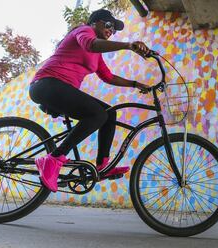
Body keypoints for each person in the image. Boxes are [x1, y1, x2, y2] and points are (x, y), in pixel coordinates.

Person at [28, 9, 150, 192]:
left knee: (109, 113)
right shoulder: (84, 31)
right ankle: (53, 159)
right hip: (47, 84)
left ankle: (103, 166)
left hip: (61, 90)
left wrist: (135, 84)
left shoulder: (97, 54)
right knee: (97, 114)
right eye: (108, 25)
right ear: (95, 23)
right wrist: (127, 45)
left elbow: (107, 77)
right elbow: (90, 44)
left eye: (114, 30)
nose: (111, 31)